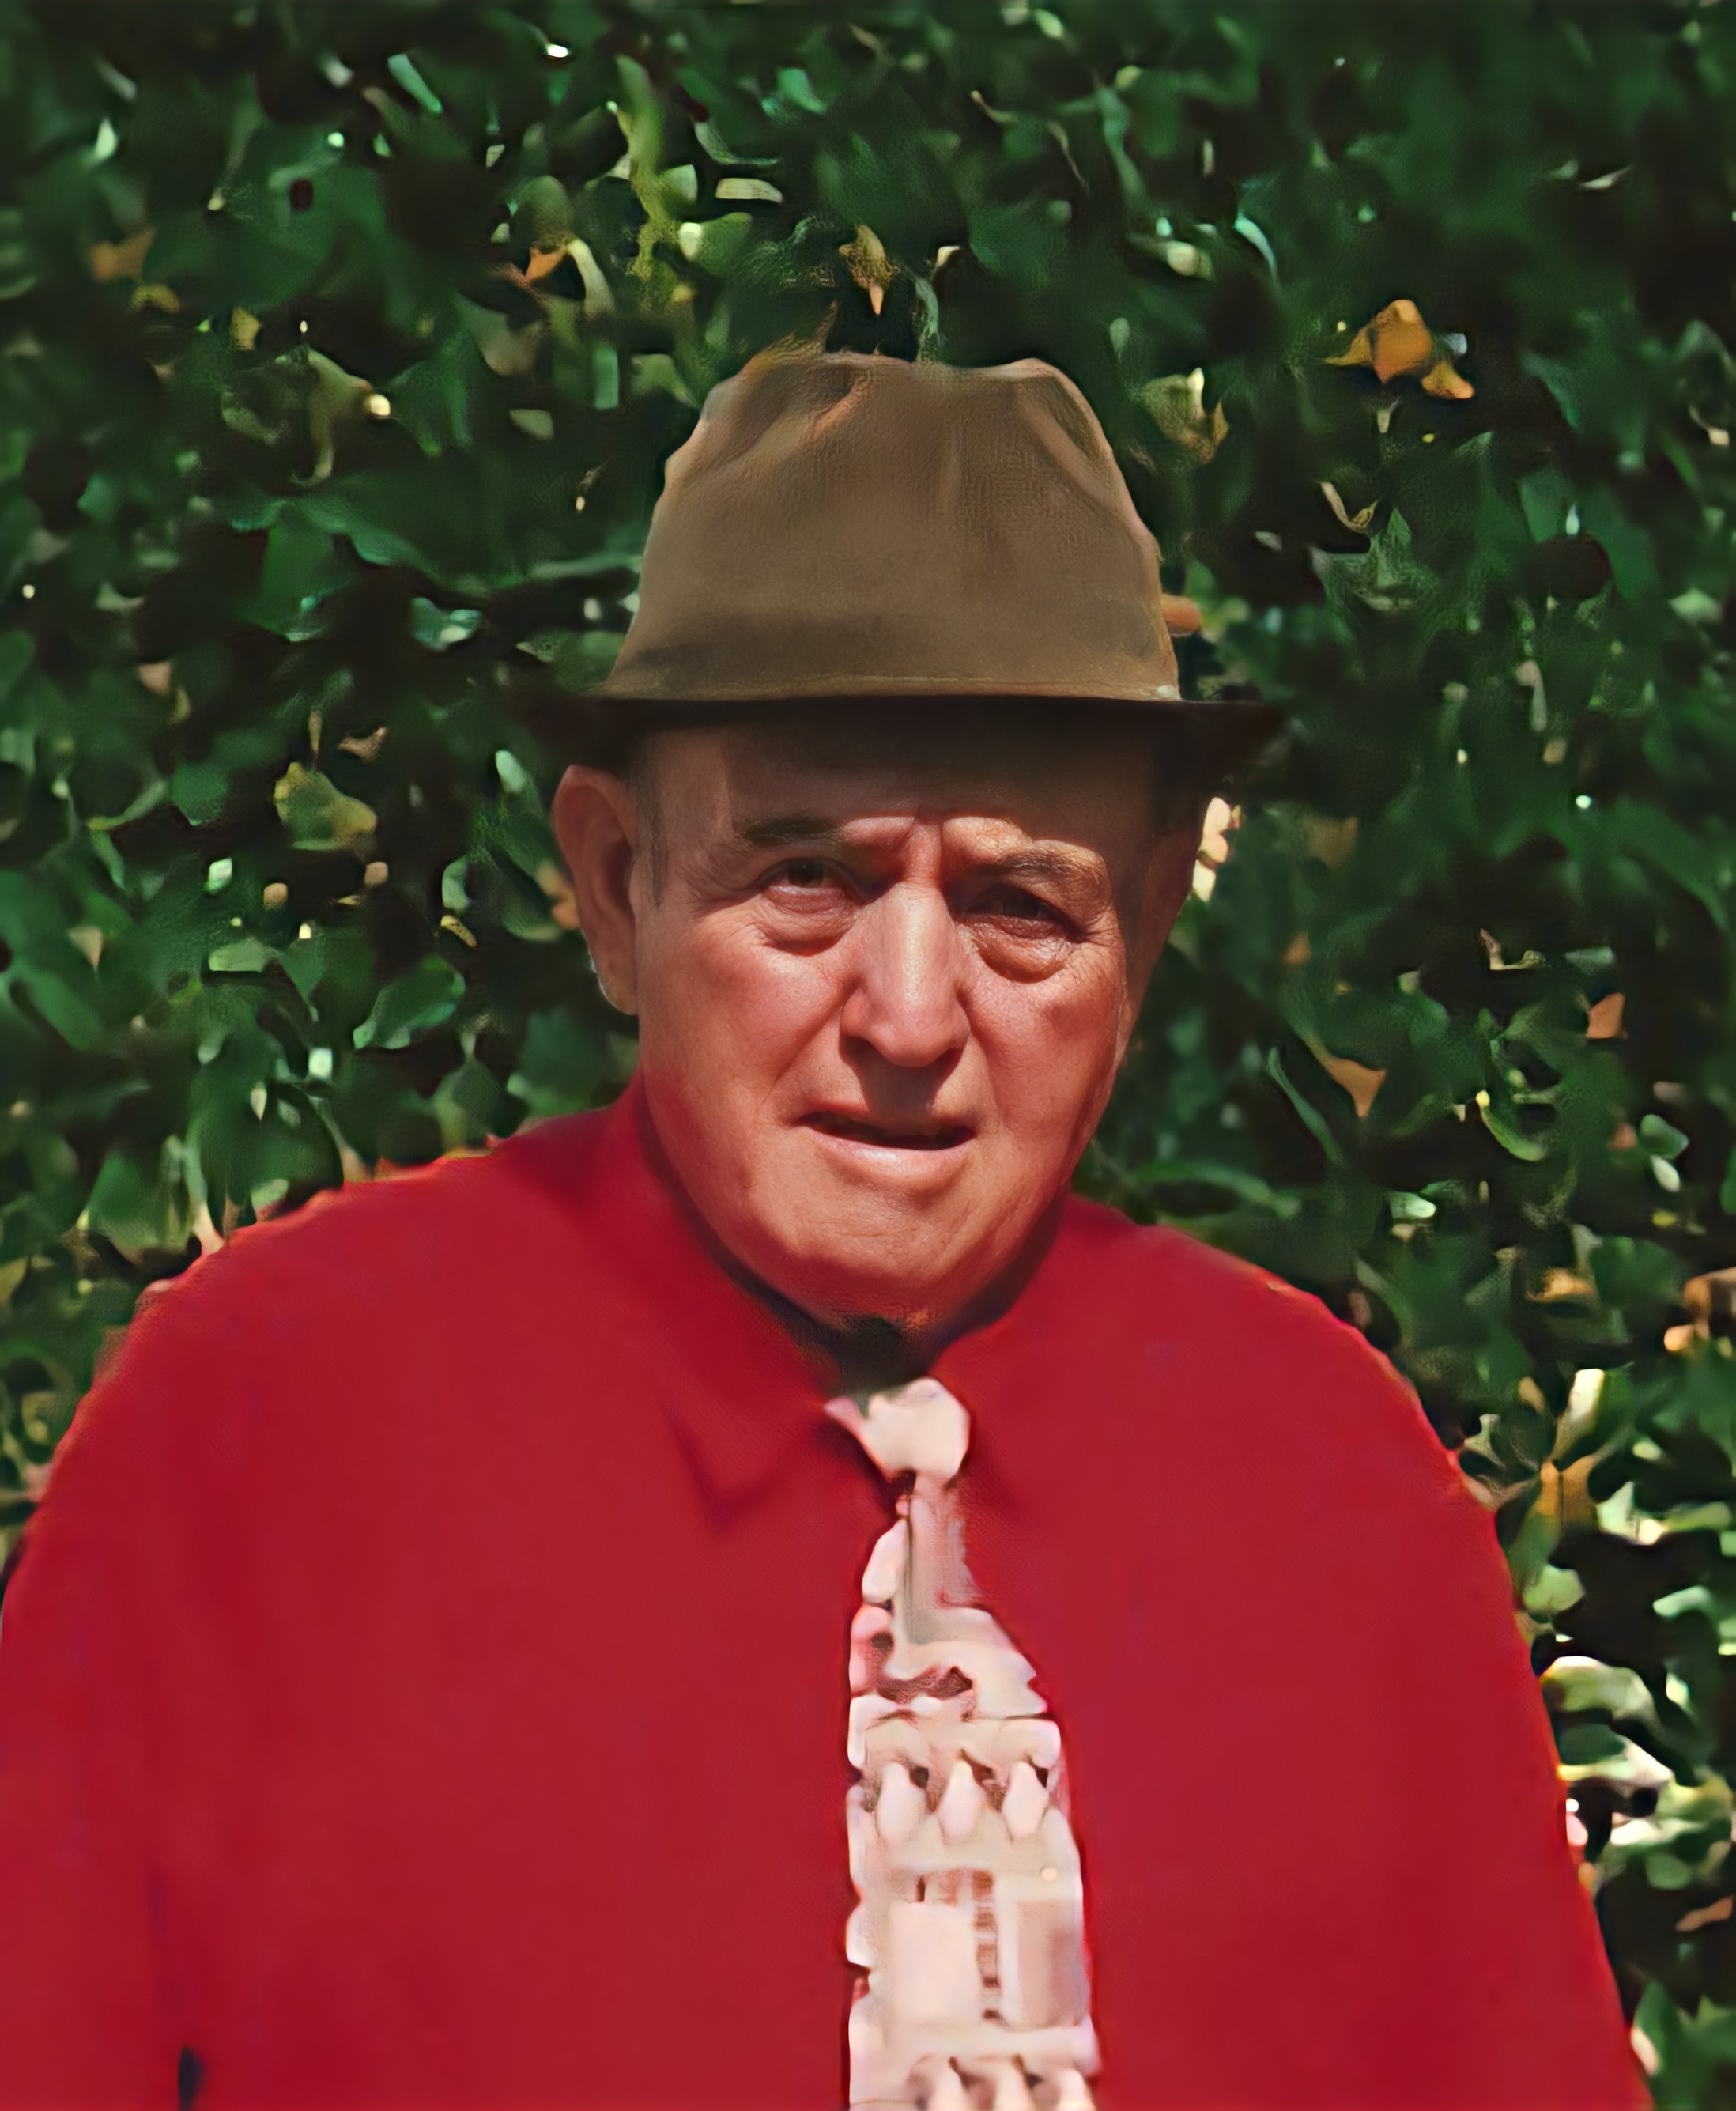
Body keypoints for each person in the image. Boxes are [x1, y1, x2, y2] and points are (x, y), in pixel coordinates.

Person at [0, 348, 1644, 2111]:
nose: (910, 1017)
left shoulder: (1336, 1493)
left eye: (1022, 906)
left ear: (1151, 921)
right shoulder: (262, 1435)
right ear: (617, 882)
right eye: (809, 880)